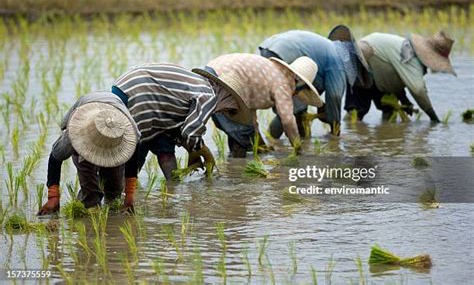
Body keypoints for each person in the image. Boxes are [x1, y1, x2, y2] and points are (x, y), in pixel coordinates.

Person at [111, 62, 251, 182]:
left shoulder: (200, 86)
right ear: (227, 96)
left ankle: (171, 188)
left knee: (163, 144)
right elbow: (191, 131)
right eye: (231, 109)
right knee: (132, 148)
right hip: (137, 91)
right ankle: (114, 192)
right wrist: (201, 151)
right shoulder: (209, 95)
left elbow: (179, 126)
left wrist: (192, 150)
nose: (223, 112)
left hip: (138, 91)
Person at [194, 53, 323, 157]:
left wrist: (260, 145)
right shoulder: (283, 83)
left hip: (213, 71)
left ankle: (233, 168)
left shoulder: (272, 71)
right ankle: (237, 178)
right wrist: (298, 148)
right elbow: (288, 120)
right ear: (300, 83)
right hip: (224, 79)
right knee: (242, 133)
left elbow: (248, 114)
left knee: (240, 131)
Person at [38, 91, 140, 215]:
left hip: (115, 122)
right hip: (85, 122)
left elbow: (132, 160)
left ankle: (110, 222)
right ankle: (87, 211)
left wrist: (129, 195)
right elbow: (55, 158)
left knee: (114, 192)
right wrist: (53, 197)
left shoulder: (129, 133)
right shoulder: (75, 133)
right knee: (90, 193)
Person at [259, 25, 371, 136]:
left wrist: (321, 106)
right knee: (291, 108)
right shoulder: (338, 61)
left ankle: (297, 141)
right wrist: (335, 128)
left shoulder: (329, 49)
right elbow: (334, 95)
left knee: (296, 108)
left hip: (270, 46)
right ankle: (272, 140)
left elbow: (307, 85)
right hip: (282, 53)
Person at [344, 31, 456, 122]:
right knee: (355, 113)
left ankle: (380, 139)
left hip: (373, 67)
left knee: (389, 111)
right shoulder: (411, 59)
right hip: (363, 63)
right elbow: (418, 90)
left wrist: (404, 100)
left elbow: (394, 75)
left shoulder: (406, 48)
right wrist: (433, 118)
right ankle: (352, 140)